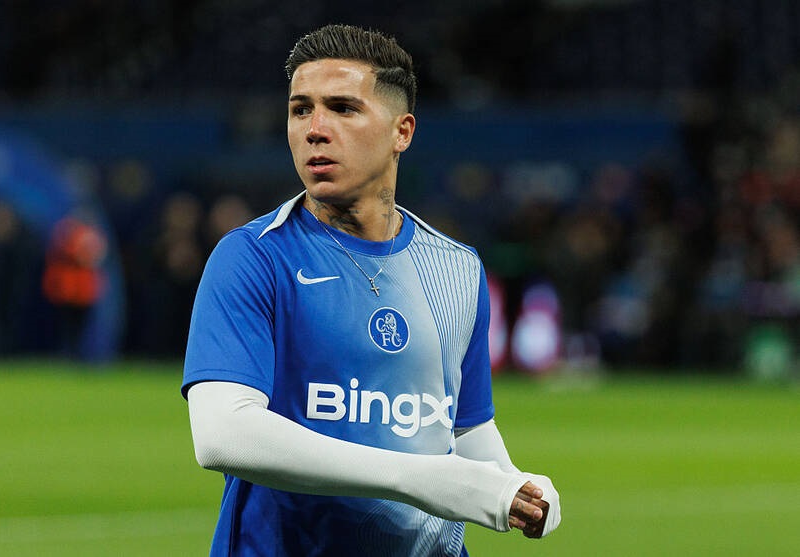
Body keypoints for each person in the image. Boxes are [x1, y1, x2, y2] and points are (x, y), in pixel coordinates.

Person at [183, 24, 561, 556]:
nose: (315, 129)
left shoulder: (457, 269)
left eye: (343, 108)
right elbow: (223, 434)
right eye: (300, 109)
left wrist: (516, 485)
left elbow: (463, 429)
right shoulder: (254, 256)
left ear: (402, 132)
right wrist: (417, 477)